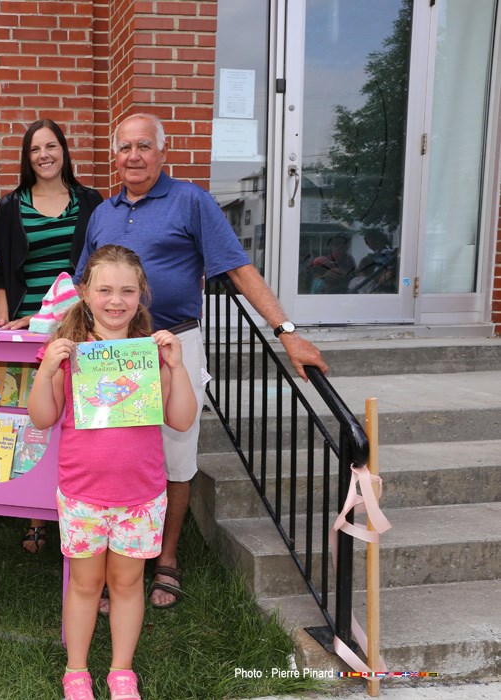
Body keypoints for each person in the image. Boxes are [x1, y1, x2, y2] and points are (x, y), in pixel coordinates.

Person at [76, 113, 328, 610]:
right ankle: (113, 561)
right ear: (114, 154)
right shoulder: (102, 212)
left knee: (175, 458)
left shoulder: (191, 200)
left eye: (143, 146)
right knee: (115, 459)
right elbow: (83, 283)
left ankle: (165, 558)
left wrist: (287, 332)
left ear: (161, 151)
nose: (133, 156)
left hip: (173, 346)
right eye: (124, 147)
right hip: (113, 353)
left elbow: (237, 267)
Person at [27, 244, 197, 700]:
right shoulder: (69, 355)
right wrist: (45, 371)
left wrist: (177, 368)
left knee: (127, 584)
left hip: (140, 496)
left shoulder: (152, 354)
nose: (115, 300)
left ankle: (122, 672)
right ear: (84, 293)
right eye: (104, 289)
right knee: (85, 585)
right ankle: (76, 671)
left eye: (127, 290)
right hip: (83, 494)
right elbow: (42, 418)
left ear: (142, 294)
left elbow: (181, 419)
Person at [0, 117, 103, 554]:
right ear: (27, 157)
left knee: (76, 418)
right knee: (33, 415)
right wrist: (4, 315)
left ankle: (79, 506)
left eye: (51, 146)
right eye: (35, 149)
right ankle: (35, 515)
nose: (44, 155)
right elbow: (0, 268)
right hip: (29, 325)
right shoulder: (11, 205)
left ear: (64, 151)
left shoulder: (91, 201)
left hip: (81, 326)